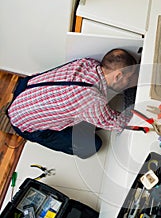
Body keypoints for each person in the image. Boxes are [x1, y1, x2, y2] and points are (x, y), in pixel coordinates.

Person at [7, 49, 138, 159]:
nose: (129, 82)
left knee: (90, 117)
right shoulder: (92, 99)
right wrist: (138, 117)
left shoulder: (87, 63)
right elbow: (117, 123)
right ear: (118, 76)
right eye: (128, 78)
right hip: (24, 124)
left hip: (25, 91)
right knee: (92, 146)